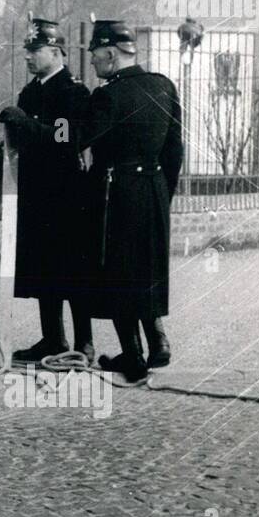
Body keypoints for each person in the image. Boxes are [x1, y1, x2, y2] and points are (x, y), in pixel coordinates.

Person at [82, 19, 183, 382]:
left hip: (117, 191)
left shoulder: (108, 95)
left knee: (119, 271)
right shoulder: (163, 86)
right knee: (147, 266)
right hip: (154, 187)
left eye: (94, 54)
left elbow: (79, 139)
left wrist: (28, 127)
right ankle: (158, 340)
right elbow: (175, 150)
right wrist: (161, 193)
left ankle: (134, 357)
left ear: (110, 53)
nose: (92, 61)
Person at [0, 16, 95, 363]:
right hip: (37, 192)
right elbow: (25, 138)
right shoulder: (31, 91)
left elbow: (65, 138)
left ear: (56, 52)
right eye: (27, 50)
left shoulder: (73, 91)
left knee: (72, 270)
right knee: (43, 268)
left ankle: (84, 342)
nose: (27, 56)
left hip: (68, 195)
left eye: (34, 50)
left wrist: (25, 123)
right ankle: (53, 339)